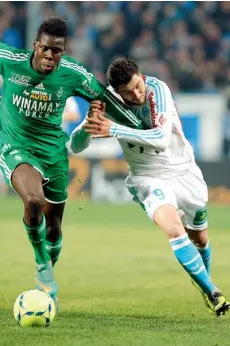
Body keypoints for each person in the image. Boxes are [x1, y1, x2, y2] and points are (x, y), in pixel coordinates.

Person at [0, 18, 144, 307]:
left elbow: (104, 98)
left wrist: (139, 127)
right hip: (17, 146)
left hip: (53, 153)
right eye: (47, 49)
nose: (51, 56)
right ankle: (40, 264)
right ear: (36, 46)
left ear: (64, 51)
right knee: (33, 200)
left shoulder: (73, 74)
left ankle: (45, 276)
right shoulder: (11, 61)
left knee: (54, 229)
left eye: (58, 51)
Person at [70, 57, 230, 317]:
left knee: (199, 237)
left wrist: (114, 129)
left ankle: (203, 280)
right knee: (173, 229)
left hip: (184, 170)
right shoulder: (108, 103)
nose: (136, 94)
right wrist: (90, 125)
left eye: (137, 86)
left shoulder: (158, 90)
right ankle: (213, 291)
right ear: (116, 92)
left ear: (141, 76)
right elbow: (74, 146)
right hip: (148, 177)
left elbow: (162, 138)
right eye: (127, 92)